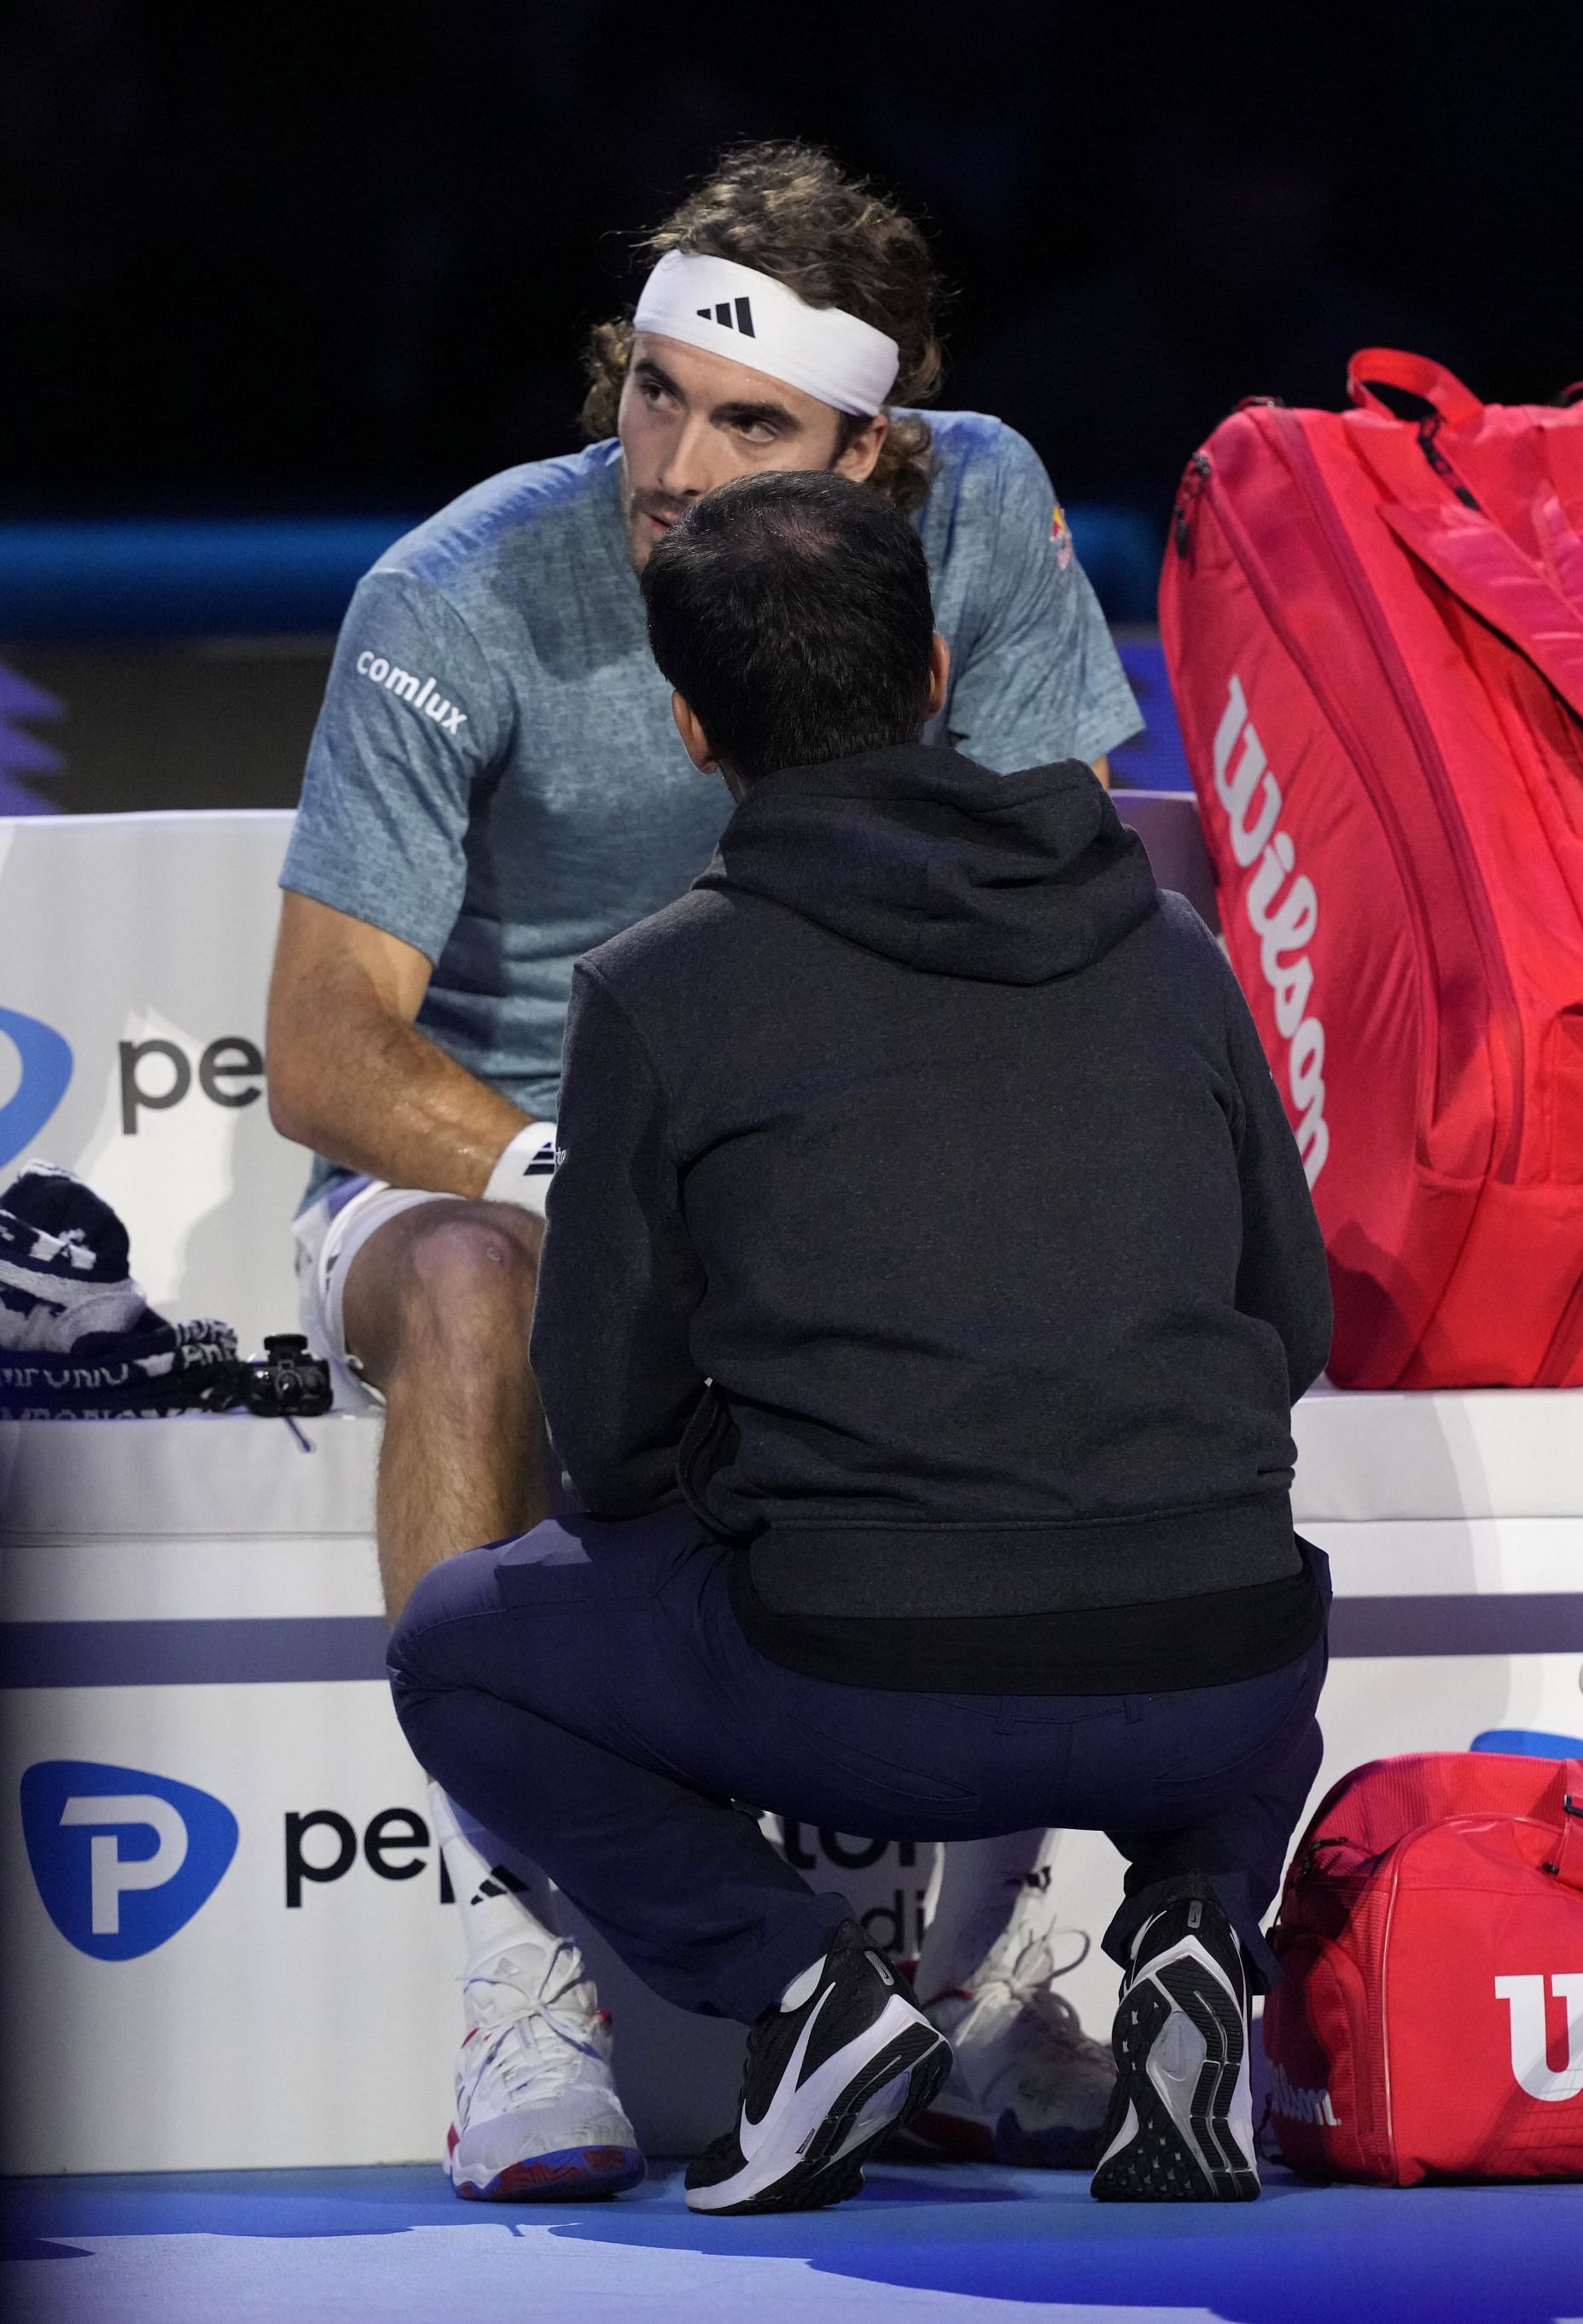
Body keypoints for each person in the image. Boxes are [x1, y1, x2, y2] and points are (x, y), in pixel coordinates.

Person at [264, 142, 1144, 2199]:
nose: (673, 461)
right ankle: (522, 1985)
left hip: (820, 1153)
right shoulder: (456, 590)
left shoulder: (984, 509)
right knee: (481, 1282)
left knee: (1034, 1225)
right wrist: (595, 1180)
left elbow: (1055, 917)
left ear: (877, 443)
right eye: (654, 389)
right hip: (491, 1168)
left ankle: (989, 1962)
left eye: (747, 418)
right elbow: (325, 1051)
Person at [387, 468, 1334, 2215]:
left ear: (688, 728)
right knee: (1246, 1582)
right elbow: (1296, 1322)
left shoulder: (658, 990)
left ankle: (803, 1991)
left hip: (863, 1689)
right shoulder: (1175, 946)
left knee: (461, 1645)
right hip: (1224, 1691)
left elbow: (606, 1430)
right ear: (939, 669)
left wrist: (811, 1485)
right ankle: (1195, 1931)